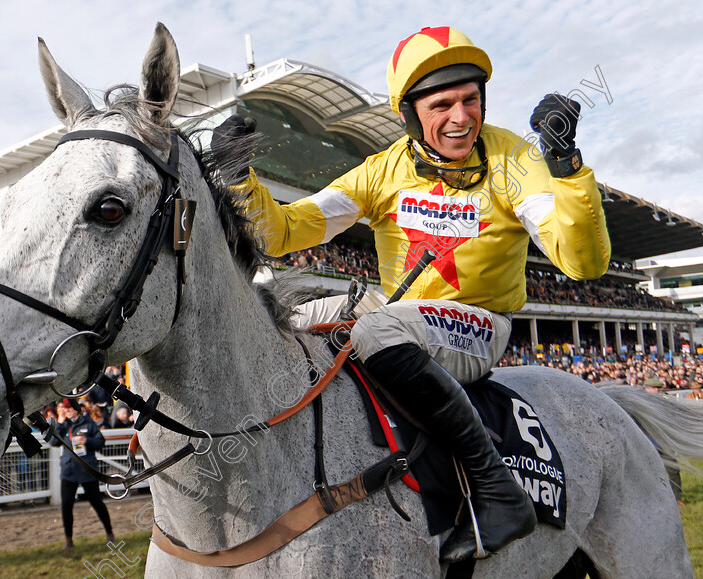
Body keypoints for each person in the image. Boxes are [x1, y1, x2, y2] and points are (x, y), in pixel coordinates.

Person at [216, 26, 610, 562]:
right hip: (398, 313)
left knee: (376, 328)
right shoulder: (384, 170)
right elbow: (283, 232)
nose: (461, 117)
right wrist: (239, 177)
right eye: (443, 104)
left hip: (477, 323)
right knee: (298, 317)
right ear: (409, 114)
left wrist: (565, 168)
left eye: (471, 100)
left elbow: (582, 261)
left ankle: (496, 490)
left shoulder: (514, 162)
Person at [47, 399, 114, 549]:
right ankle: (68, 540)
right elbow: (53, 442)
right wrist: (59, 422)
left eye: (70, 408)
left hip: (87, 470)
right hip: (68, 471)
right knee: (66, 506)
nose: (68, 411)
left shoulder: (88, 422)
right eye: (65, 408)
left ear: (77, 409)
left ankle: (109, 533)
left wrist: (87, 440)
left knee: (97, 502)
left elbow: (100, 442)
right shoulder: (63, 425)